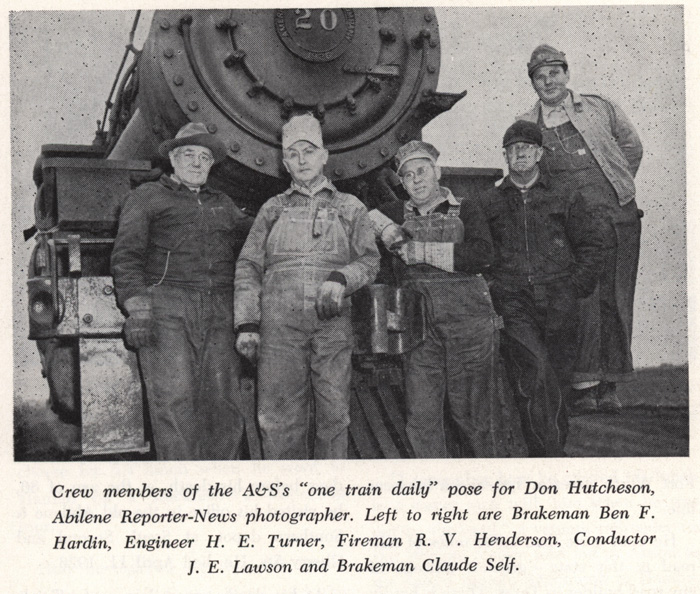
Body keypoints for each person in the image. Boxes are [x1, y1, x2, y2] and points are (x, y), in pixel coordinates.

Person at [234, 114, 380, 460]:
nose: (302, 160)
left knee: (334, 415)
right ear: (285, 163)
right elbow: (249, 266)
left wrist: (341, 278)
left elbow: (370, 261)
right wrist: (247, 324)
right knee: (278, 419)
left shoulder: (350, 207)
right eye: (294, 155)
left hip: (331, 327)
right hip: (278, 329)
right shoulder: (273, 209)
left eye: (309, 152)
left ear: (324, 156)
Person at [372, 140, 525, 459]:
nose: (416, 180)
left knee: (472, 418)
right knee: (421, 419)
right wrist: (384, 227)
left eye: (422, 171)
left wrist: (423, 252)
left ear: (437, 172)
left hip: (467, 326)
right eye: (408, 175)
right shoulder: (396, 212)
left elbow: (483, 255)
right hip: (420, 330)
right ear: (401, 182)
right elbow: (357, 212)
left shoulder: (466, 208)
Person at [111, 122, 253, 460]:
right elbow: (126, 257)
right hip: (167, 309)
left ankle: (220, 491)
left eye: (204, 157)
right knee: (174, 404)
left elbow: (259, 235)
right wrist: (138, 308)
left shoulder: (223, 203)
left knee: (225, 405)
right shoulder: (146, 197)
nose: (197, 162)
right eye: (188, 154)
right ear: (173, 158)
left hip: (221, 308)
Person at [518, 44, 644, 414]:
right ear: (534, 84)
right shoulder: (528, 123)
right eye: (540, 77)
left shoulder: (599, 107)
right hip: (571, 230)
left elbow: (631, 148)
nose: (548, 81)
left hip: (618, 218)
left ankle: (610, 387)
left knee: (617, 300)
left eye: (554, 73)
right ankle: (584, 386)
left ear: (566, 74)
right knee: (581, 302)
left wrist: (614, 188)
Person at [480, 120, 605, 456]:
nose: (520, 153)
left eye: (527, 147)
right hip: (514, 302)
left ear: (539, 153)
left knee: (558, 377)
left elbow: (592, 246)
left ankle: (551, 447)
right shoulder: (488, 202)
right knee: (535, 371)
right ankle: (548, 455)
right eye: (513, 148)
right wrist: (497, 290)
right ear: (505, 155)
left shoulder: (565, 195)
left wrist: (574, 287)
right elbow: (479, 254)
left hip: (560, 299)